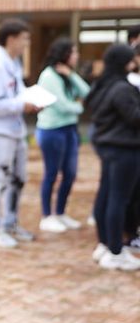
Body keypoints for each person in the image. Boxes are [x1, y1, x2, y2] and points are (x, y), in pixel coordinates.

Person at [0, 18, 41, 248]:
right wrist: (21, 105)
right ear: (11, 39)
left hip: (14, 130)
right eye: (24, 39)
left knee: (18, 180)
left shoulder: (12, 63)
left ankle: (10, 223)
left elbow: (17, 93)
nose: (26, 44)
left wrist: (32, 100)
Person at [86, 43, 140, 271]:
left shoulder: (104, 84)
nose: (134, 63)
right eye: (131, 59)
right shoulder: (121, 88)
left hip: (110, 148)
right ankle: (115, 252)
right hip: (123, 149)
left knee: (107, 195)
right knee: (118, 199)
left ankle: (105, 244)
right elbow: (135, 117)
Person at [35, 37, 91, 233]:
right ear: (64, 54)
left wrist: (71, 75)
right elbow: (62, 105)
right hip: (52, 130)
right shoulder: (49, 76)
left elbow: (87, 92)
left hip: (69, 129)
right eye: (74, 52)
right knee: (51, 173)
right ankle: (46, 216)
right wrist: (79, 107)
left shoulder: (66, 74)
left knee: (70, 173)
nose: (77, 56)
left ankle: (60, 212)